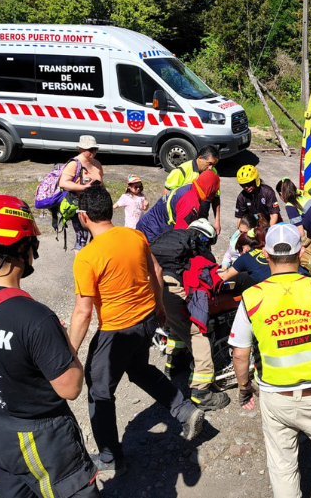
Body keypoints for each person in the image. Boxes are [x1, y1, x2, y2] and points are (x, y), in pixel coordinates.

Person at [0, 196, 99, 498]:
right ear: (21, 249)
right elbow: (70, 388)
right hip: (42, 439)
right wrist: (64, 349)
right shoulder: (34, 317)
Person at [67, 186, 206, 477]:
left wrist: (70, 353)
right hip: (146, 320)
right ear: (109, 210)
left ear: (83, 217)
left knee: (100, 391)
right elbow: (156, 272)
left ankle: (109, 456)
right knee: (140, 370)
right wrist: (159, 308)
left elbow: (83, 311)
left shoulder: (87, 256)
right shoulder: (135, 235)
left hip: (116, 331)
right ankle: (185, 411)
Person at [229, 224, 311, 498]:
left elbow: (240, 354)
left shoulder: (251, 297)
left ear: (265, 254)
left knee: (283, 465)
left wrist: (244, 389)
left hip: (276, 397)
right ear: (300, 253)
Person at [149, 219, 230, 410]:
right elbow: (210, 269)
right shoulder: (196, 244)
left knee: (176, 321)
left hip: (150, 285)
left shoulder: (171, 237)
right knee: (196, 331)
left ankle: (174, 362)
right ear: (205, 236)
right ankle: (201, 392)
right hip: (171, 287)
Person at [135, 170, 221, 243]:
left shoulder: (190, 187)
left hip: (146, 225)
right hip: (151, 233)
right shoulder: (191, 203)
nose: (214, 194)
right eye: (215, 190)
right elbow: (179, 235)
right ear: (210, 188)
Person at [57, 136, 104, 251]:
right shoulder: (74, 164)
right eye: (90, 149)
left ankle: (94, 264)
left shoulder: (97, 163)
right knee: (82, 238)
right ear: (81, 149)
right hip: (80, 206)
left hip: (95, 206)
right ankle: (81, 266)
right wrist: (83, 187)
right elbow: (63, 183)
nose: (93, 152)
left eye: (95, 149)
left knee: (97, 237)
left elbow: (102, 183)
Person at [236, 165, 280, 229]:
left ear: (256, 180)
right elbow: (240, 218)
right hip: (251, 227)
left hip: (270, 224)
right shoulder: (242, 197)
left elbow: (274, 215)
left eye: (249, 184)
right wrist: (241, 232)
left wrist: (269, 232)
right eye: (243, 185)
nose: (246, 187)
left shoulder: (267, 192)